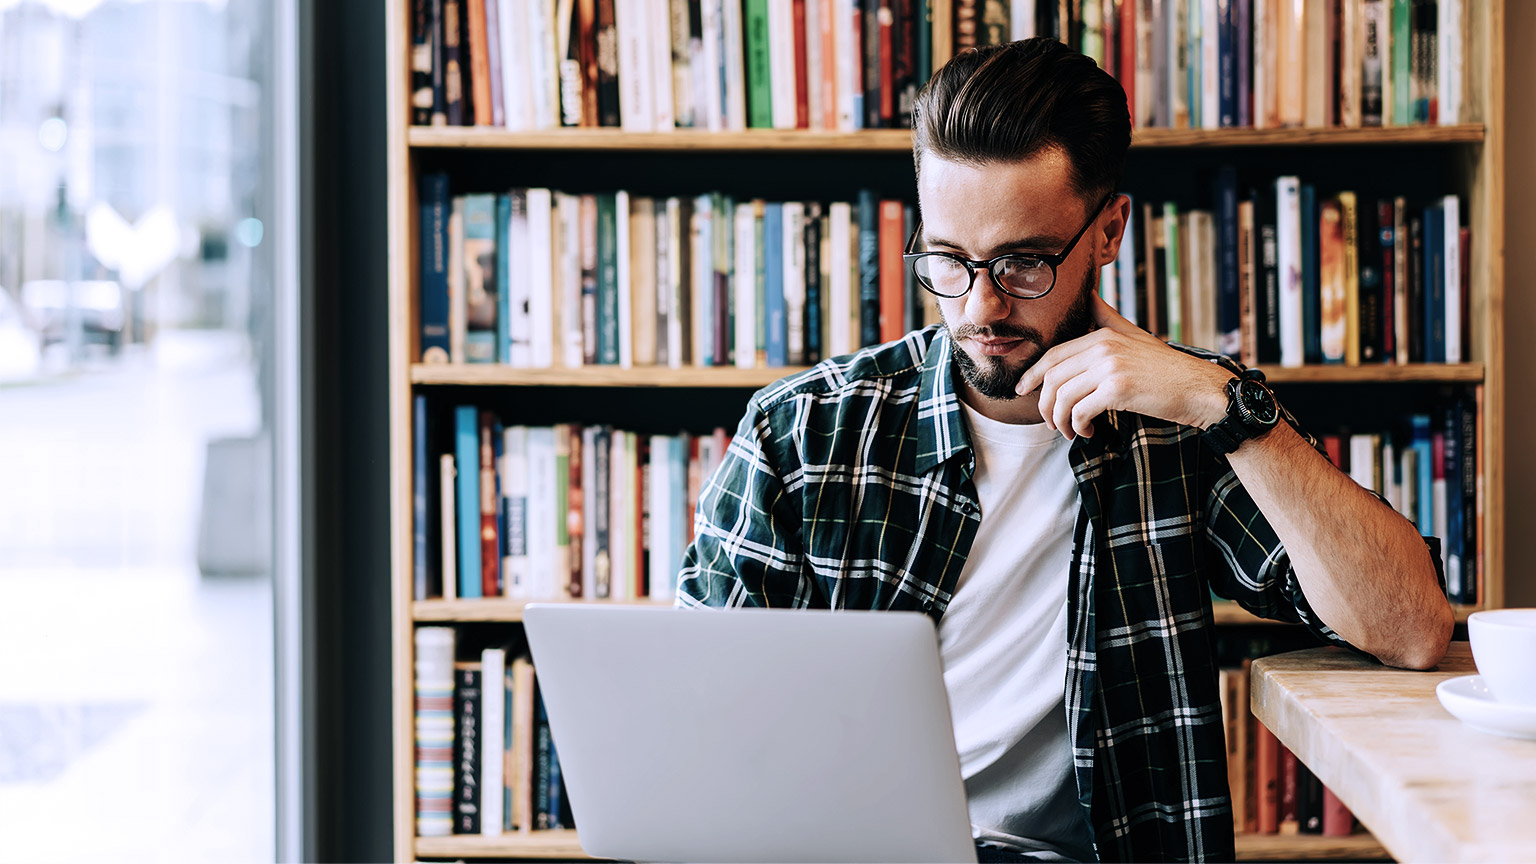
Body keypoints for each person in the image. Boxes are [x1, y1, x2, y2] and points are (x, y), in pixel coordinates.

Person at [675, 37, 1451, 864]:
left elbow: (1409, 630)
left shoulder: (1183, 424)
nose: (981, 305)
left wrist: (1222, 402)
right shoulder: (802, 435)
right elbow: (700, 731)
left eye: (1023, 262)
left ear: (1109, 230)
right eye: (948, 259)